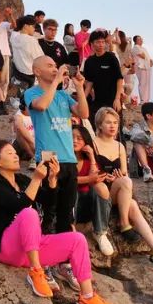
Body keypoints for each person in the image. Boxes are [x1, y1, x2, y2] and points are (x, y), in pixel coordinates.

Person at [0, 140, 119, 304]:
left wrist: (52, 180)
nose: (16, 156)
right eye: (9, 153)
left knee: (77, 239)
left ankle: (87, 297)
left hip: (31, 248)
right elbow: (21, 205)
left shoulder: (21, 180)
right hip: (6, 248)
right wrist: (36, 179)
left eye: (15, 153)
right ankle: (36, 272)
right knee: (29, 213)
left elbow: (48, 202)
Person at [90, 108, 153, 271]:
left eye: (115, 123)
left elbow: (124, 172)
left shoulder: (120, 146)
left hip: (117, 189)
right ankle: (124, 223)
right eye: (108, 122)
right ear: (99, 124)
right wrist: (105, 177)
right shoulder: (92, 143)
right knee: (126, 186)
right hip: (98, 191)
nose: (112, 126)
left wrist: (117, 177)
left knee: (131, 199)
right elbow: (89, 171)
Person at [24, 54, 89, 235]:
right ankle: (45, 242)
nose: (55, 69)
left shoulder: (63, 96)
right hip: (48, 157)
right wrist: (57, 81)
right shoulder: (32, 93)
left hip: (69, 158)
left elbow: (84, 113)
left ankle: (64, 246)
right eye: (50, 66)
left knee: (66, 210)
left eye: (55, 66)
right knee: (48, 209)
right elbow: (42, 105)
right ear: (37, 71)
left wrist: (80, 87)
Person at [73, 124, 114, 256]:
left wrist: (91, 156)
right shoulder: (64, 158)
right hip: (70, 206)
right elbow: (67, 180)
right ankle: (71, 232)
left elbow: (95, 179)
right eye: (71, 137)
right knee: (71, 190)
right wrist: (89, 179)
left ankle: (100, 232)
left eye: (79, 138)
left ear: (86, 140)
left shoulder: (88, 159)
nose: (74, 141)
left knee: (101, 187)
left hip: (87, 203)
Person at [81, 30, 123, 116]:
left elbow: (119, 78)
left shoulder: (111, 57)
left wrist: (117, 99)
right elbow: (89, 82)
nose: (101, 44)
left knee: (114, 122)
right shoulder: (89, 61)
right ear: (92, 44)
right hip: (98, 100)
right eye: (98, 42)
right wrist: (83, 99)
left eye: (103, 42)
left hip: (113, 100)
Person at [8, 15, 43, 90]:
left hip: (18, 74)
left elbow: (15, 31)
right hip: (31, 75)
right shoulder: (31, 40)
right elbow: (40, 58)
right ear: (26, 26)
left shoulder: (13, 38)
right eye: (33, 26)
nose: (34, 29)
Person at [131, 35, 153, 104]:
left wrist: (150, 61)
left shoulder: (143, 48)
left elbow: (147, 57)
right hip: (140, 67)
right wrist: (148, 59)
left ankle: (146, 99)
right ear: (135, 41)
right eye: (139, 39)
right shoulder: (135, 48)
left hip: (146, 67)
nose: (141, 40)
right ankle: (143, 100)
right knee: (142, 83)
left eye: (141, 39)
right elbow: (143, 56)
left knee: (147, 83)